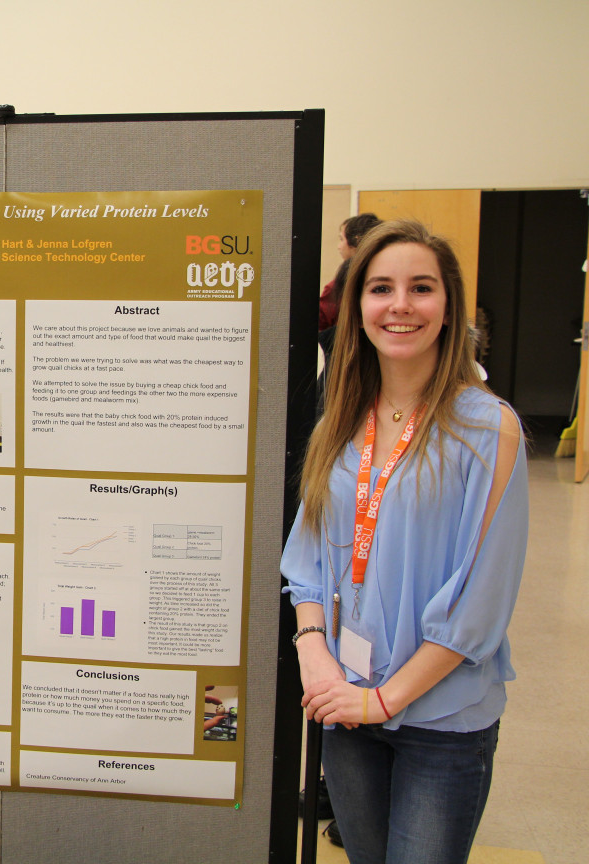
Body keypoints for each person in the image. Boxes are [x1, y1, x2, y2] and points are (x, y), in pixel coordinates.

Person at [283, 220, 528, 864]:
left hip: (439, 720)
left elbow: (480, 601)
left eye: (421, 288)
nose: (400, 305)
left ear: (448, 306)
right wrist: (314, 650)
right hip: (347, 702)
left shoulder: (488, 428)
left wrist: (384, 699)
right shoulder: (341, 420)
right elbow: (308, 559)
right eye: (380, 288)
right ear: (357, 306)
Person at [318, 212, 382, 331]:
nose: (339, 246)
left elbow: (320, 320)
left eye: (341, 239)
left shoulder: (339, 285)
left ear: (356, 240)